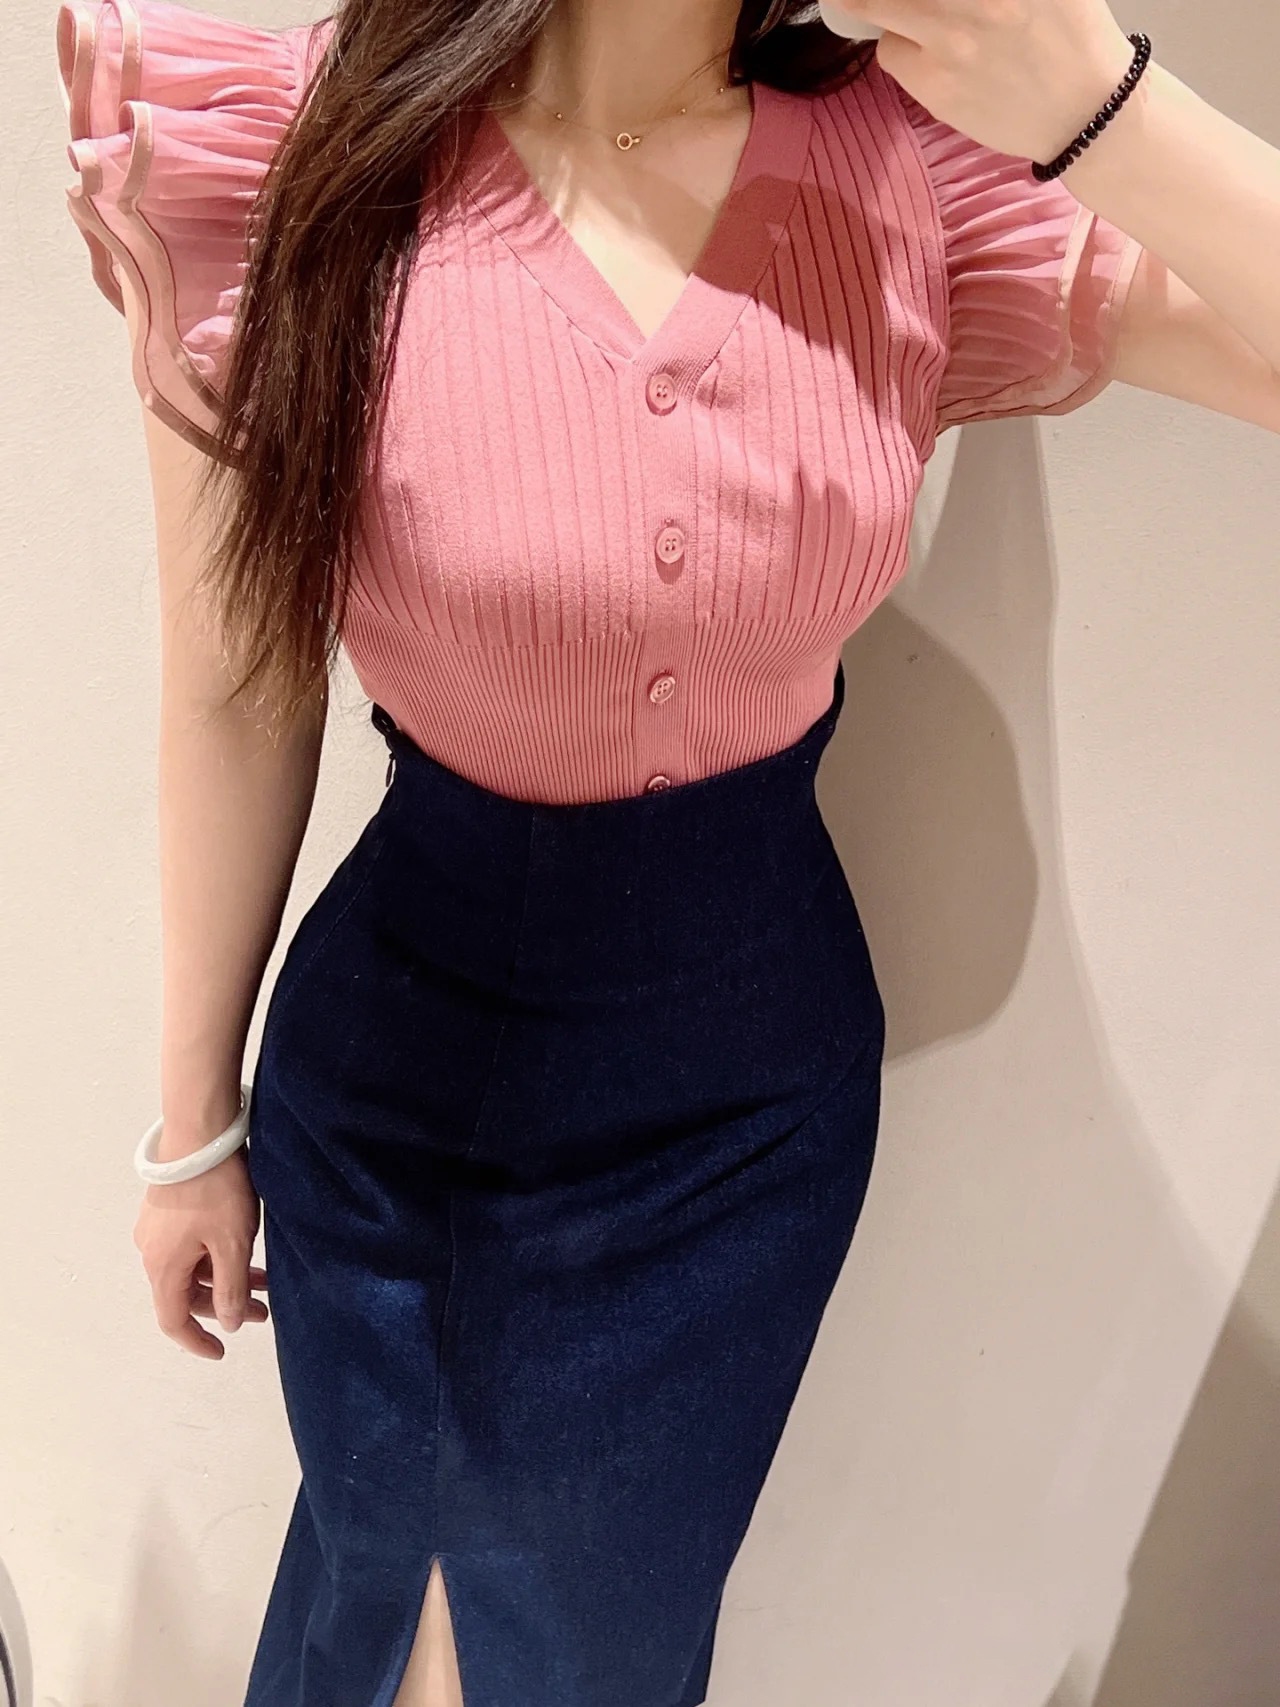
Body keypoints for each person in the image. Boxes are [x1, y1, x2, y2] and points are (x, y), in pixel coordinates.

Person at [53, 0, 1280, 1701]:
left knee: (598, 1652)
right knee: (413, 1621)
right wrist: (193, 1125)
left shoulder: (919, 174)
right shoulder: (300, 151)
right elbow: (236, 683)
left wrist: (1094, 98)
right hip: (407, 1100)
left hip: (745, 1118)